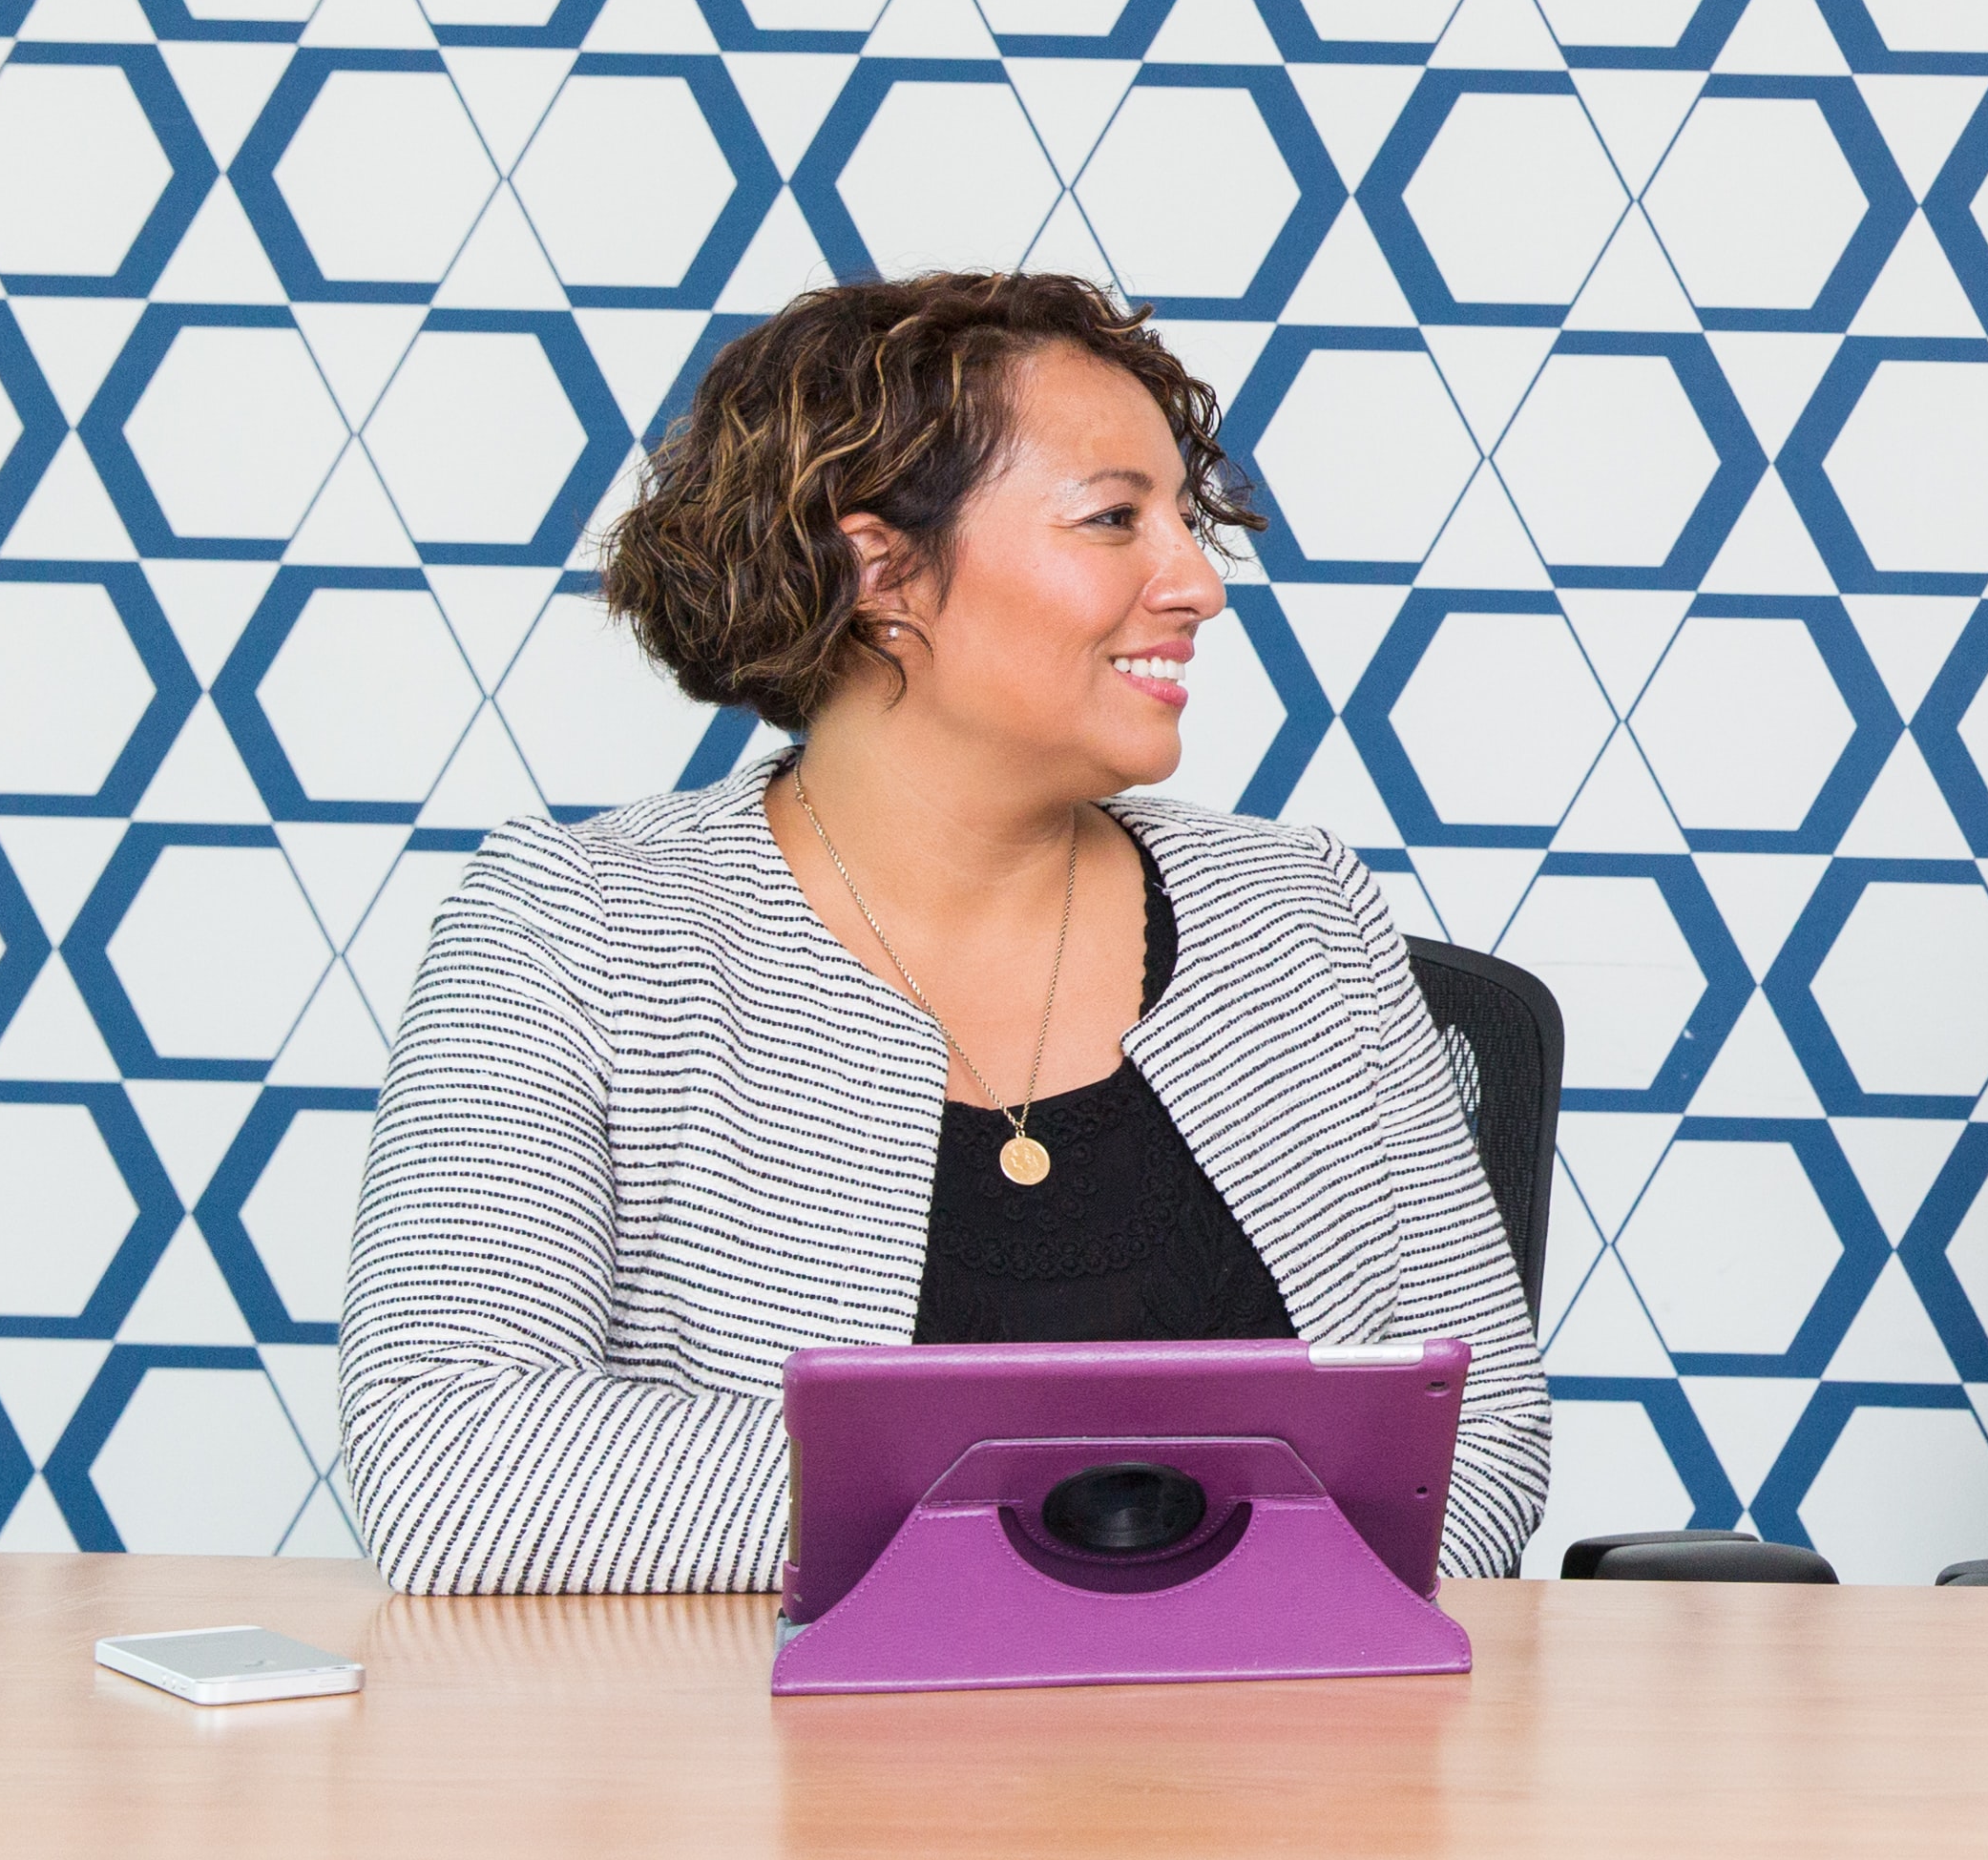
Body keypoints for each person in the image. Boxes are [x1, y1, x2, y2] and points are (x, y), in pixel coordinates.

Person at [343, 273, 1547, 1593]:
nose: (1197, 583)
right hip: (768, 1786)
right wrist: (1099, 1513)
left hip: (1277, 1764)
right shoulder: (574, 932)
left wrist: (978, 1510)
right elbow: (442, 1459)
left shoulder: (1302, 914)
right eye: (1113, 520)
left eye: (1185, 522)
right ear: (882, 570)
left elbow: (1475, 1443)